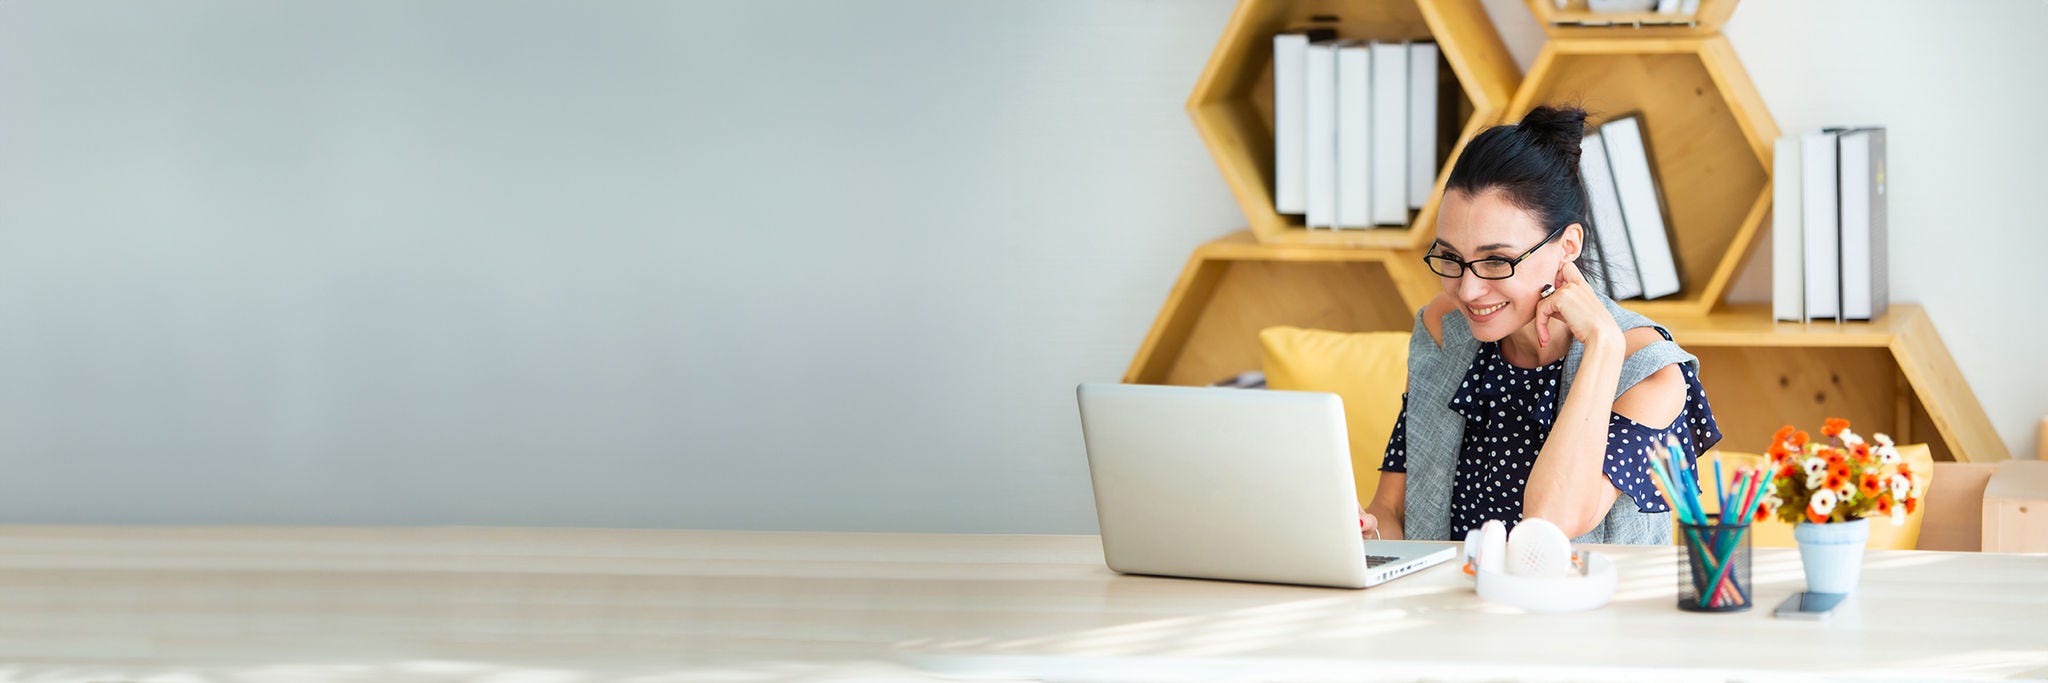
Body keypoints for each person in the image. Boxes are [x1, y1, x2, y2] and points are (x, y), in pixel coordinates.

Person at [1357, 105, 1721, 544]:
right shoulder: (1443, 330)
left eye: (1496, 261)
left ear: (1567, 246)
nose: (1469, 290)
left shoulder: (1649, 372)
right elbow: (1393, 509)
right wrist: (1365, 532)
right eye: (1451, 258)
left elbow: (1552, 520)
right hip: (1451, 606)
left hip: (1585, 611)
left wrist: (1603, 345)